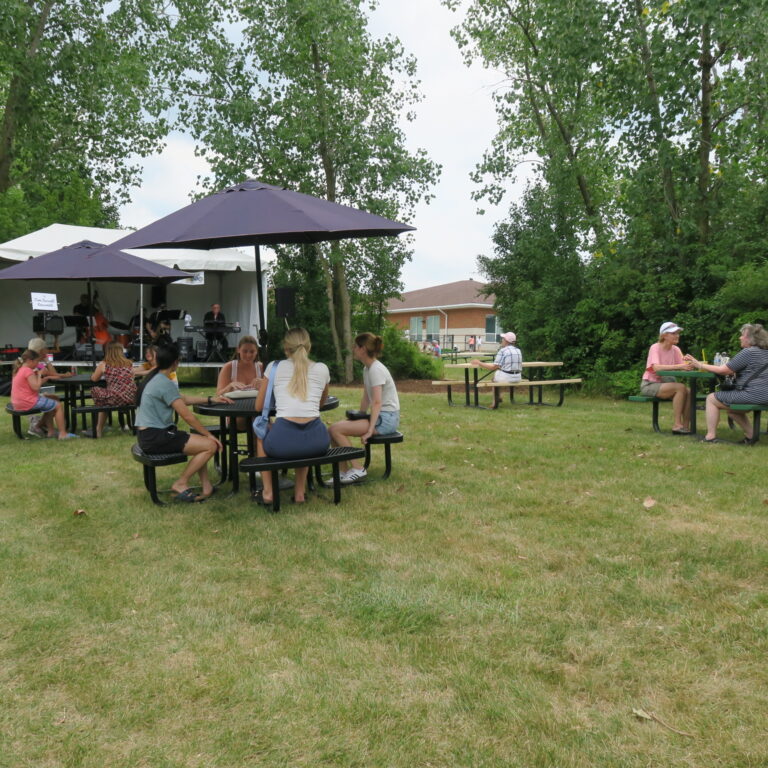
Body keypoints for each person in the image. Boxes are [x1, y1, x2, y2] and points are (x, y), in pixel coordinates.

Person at [134, 344, 228, 502]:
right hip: (156, 437)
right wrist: (209, 435)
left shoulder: (155, 378)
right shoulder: (164, 382)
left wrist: (210, 399)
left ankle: (207, 487)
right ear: (175, 362)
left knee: (202, 444)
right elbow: (187, 416)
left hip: (149, 435)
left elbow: (182, 399)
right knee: (210, 445)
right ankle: (181, 483)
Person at [253, 328, 330, 506]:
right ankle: (300, 493)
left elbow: (258, 406)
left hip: (284, 441)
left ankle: (268, 492)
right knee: (303, 440)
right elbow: (320, 403)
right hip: (317, 441)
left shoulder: (274, 367)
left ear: (285, 347)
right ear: (309, 346)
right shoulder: (322, 369)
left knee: (261, 432)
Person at [328, 332, 401, 485]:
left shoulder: (376, 370)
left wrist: (369, 430)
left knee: (336, 430)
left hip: (386, 419)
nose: (353, 349)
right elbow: (367, 397)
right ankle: (342, 472)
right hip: (381, 416)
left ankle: (358, 468)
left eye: (355, 346)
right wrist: (359, 416)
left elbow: (377, 403)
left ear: (363, 349)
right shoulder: (367, 369)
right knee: (333, 429)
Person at [685, 323, 768, 443]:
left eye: (742, 335)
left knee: (711, 398)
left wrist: (699, 365)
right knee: (731, 409)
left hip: (753, 395)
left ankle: (710, 436)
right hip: (765, 396)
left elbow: (723, 370)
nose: (740, 337)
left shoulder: (748, 352)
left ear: (751, 339)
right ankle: (752, 435)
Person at [11, 349, 77, 440]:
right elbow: (36, 387)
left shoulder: (20, 369)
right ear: (30, 361)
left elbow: (32, 384)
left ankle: (50, 431)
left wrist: (47, 377)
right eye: (37, 361)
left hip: (18, 401)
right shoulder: (28, 371)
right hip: (28, 401)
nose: (38, 364)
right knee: (58, 405)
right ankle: (63, 434)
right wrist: (39, 374)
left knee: (52, 400)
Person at [640, 321, 693, 434]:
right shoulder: (655, 347)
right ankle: (677, 425)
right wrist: (680, 366)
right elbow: (656, 368)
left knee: (689, 391)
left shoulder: (676, 349)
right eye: (673, 333)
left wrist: (692, 363)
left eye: (678, 333)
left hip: (667, 384)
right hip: (650, 384)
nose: (677, 335)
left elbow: (684, 366)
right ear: (664, 335)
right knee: (680, 388)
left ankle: (685, 426)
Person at [87, 341, 138, 437]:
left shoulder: (104, 364)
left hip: (116, 398)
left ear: (107, 351)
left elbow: (94, 379)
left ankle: (98, 430)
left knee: (97, 392)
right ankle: (125, 424)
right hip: (131, 397)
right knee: (106, 398)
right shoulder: (129, 363)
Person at [216, 335, 264, 430]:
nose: (248, 355)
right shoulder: (229, 367)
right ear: (238, 350)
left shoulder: (262, 367)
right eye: (245, 351)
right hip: (234, 414)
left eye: (252, 352)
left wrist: (264, 384)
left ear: (257, 351)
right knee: (258, 423)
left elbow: (272, 393)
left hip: (258, 411)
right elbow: (218, 395)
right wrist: (229, 386)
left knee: (261, 422)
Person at [471, 331, 523, 408]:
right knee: (498, 377)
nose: (502, 340)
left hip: (507, 378)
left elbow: (493, 367)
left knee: (495, 379)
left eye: (503, 339)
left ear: (506, 341)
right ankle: (499, 396)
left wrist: (479, 362)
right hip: (518, 378)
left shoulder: (503, 351)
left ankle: (494, 403)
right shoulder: (518, 350)